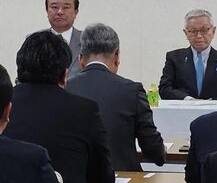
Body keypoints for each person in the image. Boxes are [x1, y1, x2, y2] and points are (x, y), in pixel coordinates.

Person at [4, 31, 114, 183]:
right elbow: (102, 180)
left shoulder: (2, 104)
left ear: (19, 68)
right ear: (64, 74)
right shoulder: (84, 110)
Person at [67, 23, 166, 171]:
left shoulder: (66, 88)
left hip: (77, 176)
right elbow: (151, 144)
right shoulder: (132, 90)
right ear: (116, 56)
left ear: (81, 58)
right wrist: (161, 153)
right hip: (122, 175)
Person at [159, 9, 217, 100]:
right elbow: (164, 89)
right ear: (186, 33)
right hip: (184, 107)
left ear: (213, 31)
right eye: (193, 31)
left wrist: (210, 103)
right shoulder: (174, 58)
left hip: (216, 108)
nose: (199, 36)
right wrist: (188, 99)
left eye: (204, 30)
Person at [44, 0, 83, 81]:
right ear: (47, 10)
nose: (60, 12)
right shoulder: (34, 41)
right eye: (54, 7)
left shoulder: (88, 41)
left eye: (66, 7)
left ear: (76, 12)